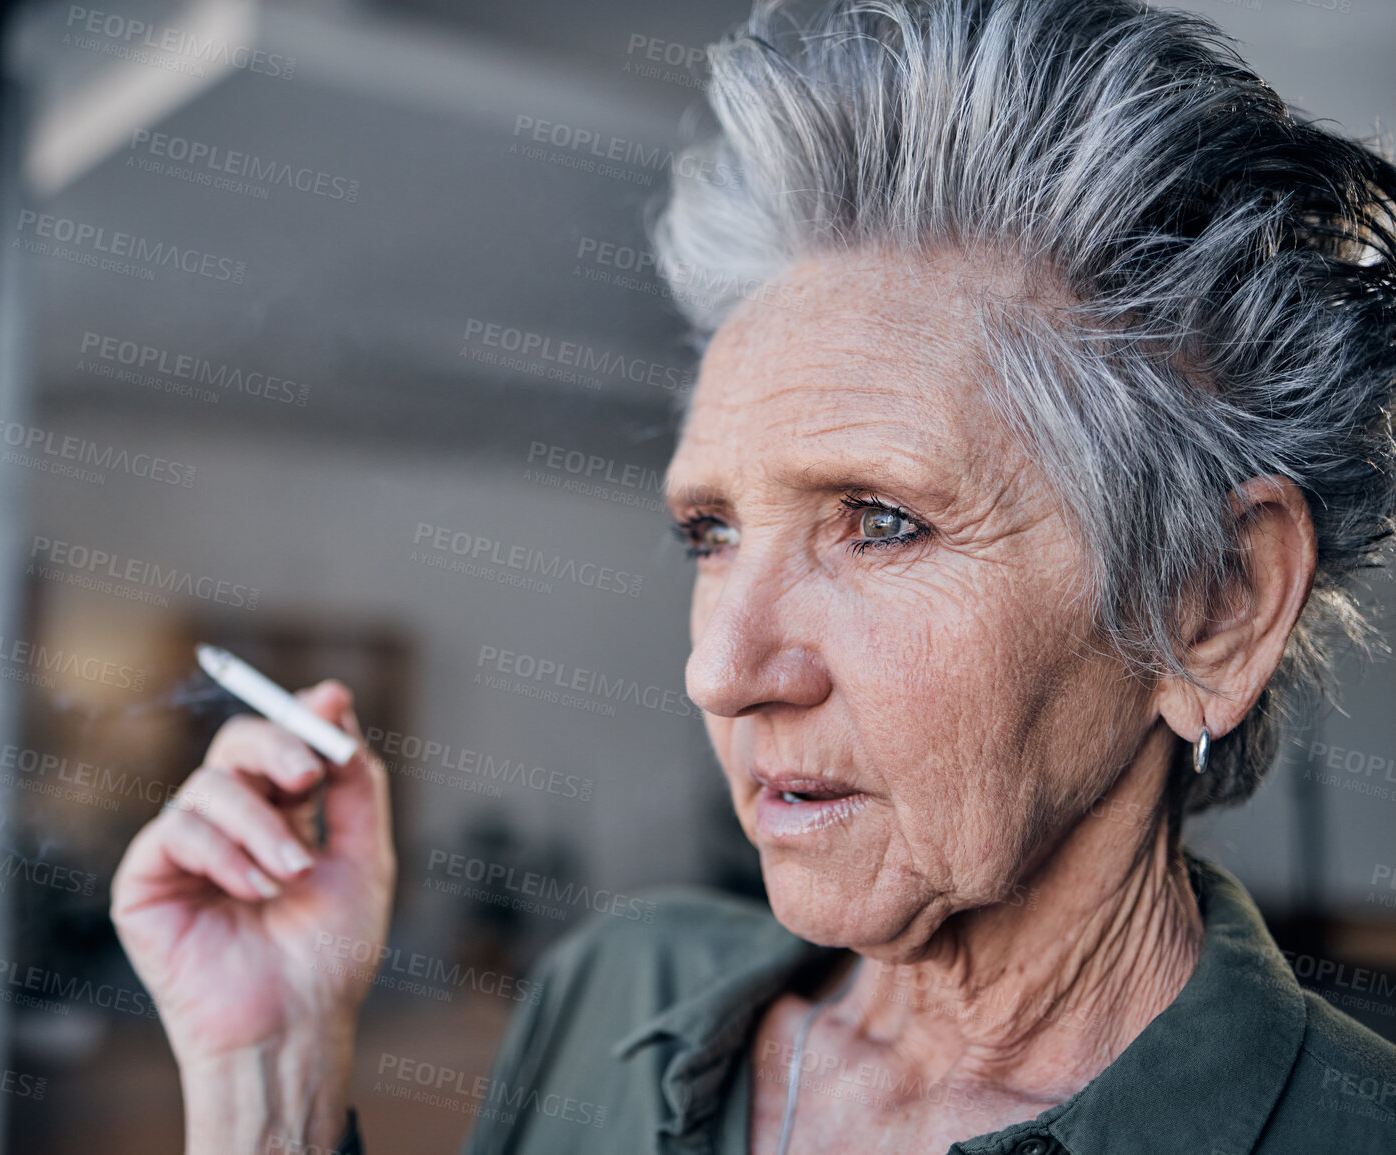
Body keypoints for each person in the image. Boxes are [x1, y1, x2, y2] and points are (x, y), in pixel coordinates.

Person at [111, 1, 1396, 1151]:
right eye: (710, 533)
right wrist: (269, 1086)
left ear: (1214, 605)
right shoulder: (614, 989)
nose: (719, 671)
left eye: (881, 521)